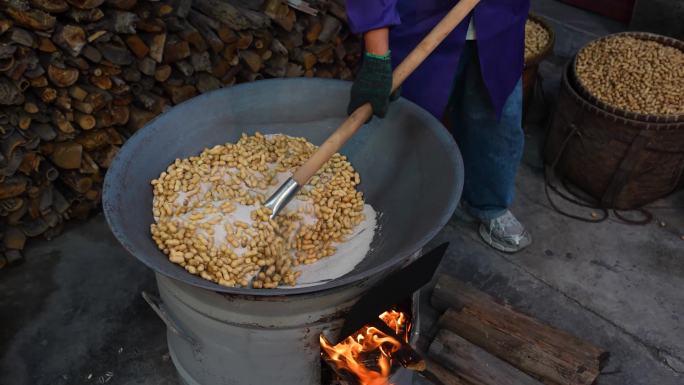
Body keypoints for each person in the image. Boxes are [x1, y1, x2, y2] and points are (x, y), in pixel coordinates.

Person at [345, 0, 532, 253]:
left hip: (500, 25)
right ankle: (391, 217)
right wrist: (377, 56)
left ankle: (489, 203)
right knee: (404, 127)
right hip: (420, 24)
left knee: (497, 124)